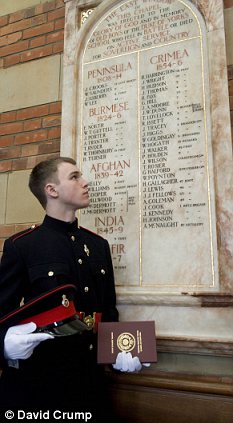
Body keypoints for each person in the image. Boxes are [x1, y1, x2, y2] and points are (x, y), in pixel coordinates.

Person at [0, 157, 120, 419]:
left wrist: (121, 353)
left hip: (90, 387)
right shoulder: (23, 246)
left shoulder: (98, 246)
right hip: (39, 390)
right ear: (52, 190)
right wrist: (4, 346)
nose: (85, 182)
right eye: (75, 177)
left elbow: (108, 310)